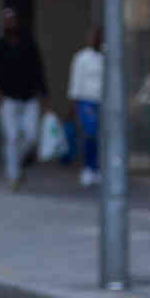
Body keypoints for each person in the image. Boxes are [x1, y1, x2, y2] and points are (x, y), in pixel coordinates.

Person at [0, 8, 48, 190]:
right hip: (7, 99)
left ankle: (16, 164)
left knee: (31, 136)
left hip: (29, 98)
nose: (10, 23)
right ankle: (13, 176)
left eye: (13, 20)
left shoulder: (28, 44)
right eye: (6, 20)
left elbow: (38, 69)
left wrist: (44, 94)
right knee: (11, 136)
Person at [67, 27, 106, 188]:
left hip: (103, 102)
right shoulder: (82, 58)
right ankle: (88, 168)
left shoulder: (106, 56)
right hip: (86, 101)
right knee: (90, 133)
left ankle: (97, 168)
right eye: (93, 37)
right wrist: (74, 104)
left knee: (101, 136)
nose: (95, 39)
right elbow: (75, 82)